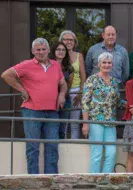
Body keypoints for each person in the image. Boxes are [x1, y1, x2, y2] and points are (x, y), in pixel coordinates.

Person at [1, 38, 67, 174]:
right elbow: (6, 75)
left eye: (43, 49)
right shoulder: (26, 64)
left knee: (52, 147)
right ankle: (33, 181)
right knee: (33, 147)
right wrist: (22, 90)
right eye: (38, 49)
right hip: (32, 111)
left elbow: (63, 83)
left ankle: (51, 181)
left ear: (48, 50)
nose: (41, 52)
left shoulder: (55, 65)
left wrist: (62, 94)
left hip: (52, 112)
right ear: (32, 51)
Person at [82, 52, 122, 173]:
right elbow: (85, 102)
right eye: (104, 62)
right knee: (97, 153)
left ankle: (105, 181)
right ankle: (94, 181)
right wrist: (85, 123)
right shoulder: (92, 80)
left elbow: (117, 101)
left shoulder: (114, 82)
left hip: (110, 121)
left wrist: (131, 104)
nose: (107, 64)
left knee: (111, 153)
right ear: (99, 64)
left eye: (109, 62)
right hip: (95, 121)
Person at [59, 30, 86, 139]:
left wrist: (81, 93)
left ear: (75, 42)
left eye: (71, 40)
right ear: (61, 41)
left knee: (74, 123)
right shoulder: (58, 55)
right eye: (65, 39)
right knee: (63, 122)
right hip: (61, 92)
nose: (68, 42)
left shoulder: (79, 55)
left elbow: (83, 75)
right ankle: (63, 145)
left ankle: (75, 145)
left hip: (76, 91)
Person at [50, 42, 74, 139]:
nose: (61, 52)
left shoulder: (69, 67)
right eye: (58, 49)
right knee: (52, 126)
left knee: (62, 126)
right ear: (53, 51)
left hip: (65, 99)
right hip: (50, 99)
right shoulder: (48, 65)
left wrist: (63, 94)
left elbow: (69, 83)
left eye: (63, 50)